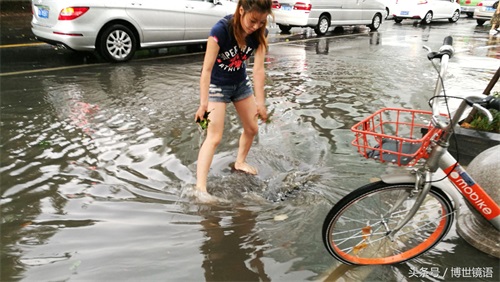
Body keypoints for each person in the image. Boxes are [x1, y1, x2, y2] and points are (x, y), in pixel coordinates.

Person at [194, 0, 273, 193]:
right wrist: (203, 104)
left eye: (261, 22)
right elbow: (206, 70)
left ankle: (240, 162)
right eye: (253, 21)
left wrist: (260, 103)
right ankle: (200, 188)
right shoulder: (220, 31)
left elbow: (259, 70)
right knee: (214, 136)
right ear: (241, 11)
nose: (256, 26)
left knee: (252, 128)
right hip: (217, 86)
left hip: (240, 84)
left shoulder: (260, 34)